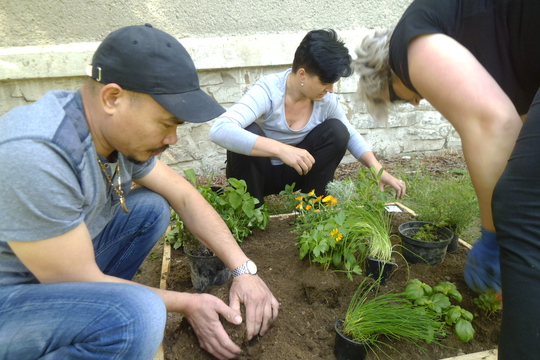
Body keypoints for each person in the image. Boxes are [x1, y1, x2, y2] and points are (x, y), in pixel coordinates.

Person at [0, 24, 279, 360]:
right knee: (138, 317)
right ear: (112, 98)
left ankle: (103, 325)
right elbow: (77, 279)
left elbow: (184, 195)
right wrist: (189, 303)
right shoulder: (39, 156)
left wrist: (242, 270)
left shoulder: (106, 133)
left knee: (151, 208)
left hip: (48, 269)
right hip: (11, 298)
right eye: (167, 123)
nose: (173, 138)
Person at [353, 0, 540, 357]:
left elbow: (495, 127)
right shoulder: (468, 34)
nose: (417, 102)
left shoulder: (407, 45)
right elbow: (518, 134)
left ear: (389, 72)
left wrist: (494, 235)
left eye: (400, 100)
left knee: (520, 210)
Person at [209, 29, 406, 205]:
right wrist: (280, 150)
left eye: (333, 83)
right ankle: (252, 207)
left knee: (337, 131)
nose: (330, 90)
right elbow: (220, 130)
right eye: (325, 83)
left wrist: (379, 171)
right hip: (257, 174)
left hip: (296, 172)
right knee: (247, 129)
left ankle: (312, 206)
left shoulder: (325, 99)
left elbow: (350, 135)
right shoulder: (268, 91)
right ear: (302, 75)